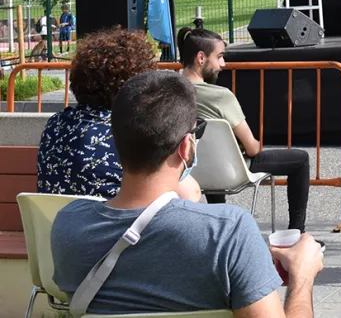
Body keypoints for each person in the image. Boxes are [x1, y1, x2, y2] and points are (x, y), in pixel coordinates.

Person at [51, 70, 324, 317]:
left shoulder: (67, 225)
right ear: (185, 147)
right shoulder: (228, 232)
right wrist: (303, 274)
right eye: (197, 131)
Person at [37, 27, 200, 201]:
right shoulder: (130, 130)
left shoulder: (56, 124)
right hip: (119, 226)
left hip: (56, 225)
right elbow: (189, 194)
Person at [177, 26, 311, 231]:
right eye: (220, 57)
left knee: (212, 156)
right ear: (201, 58)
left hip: (188, 170)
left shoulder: (168, 88)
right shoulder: (221, 96)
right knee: (300, 160)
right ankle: (296, 233)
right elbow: (253, 149)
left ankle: (219, 229)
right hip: (229, 171)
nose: (224, 64)